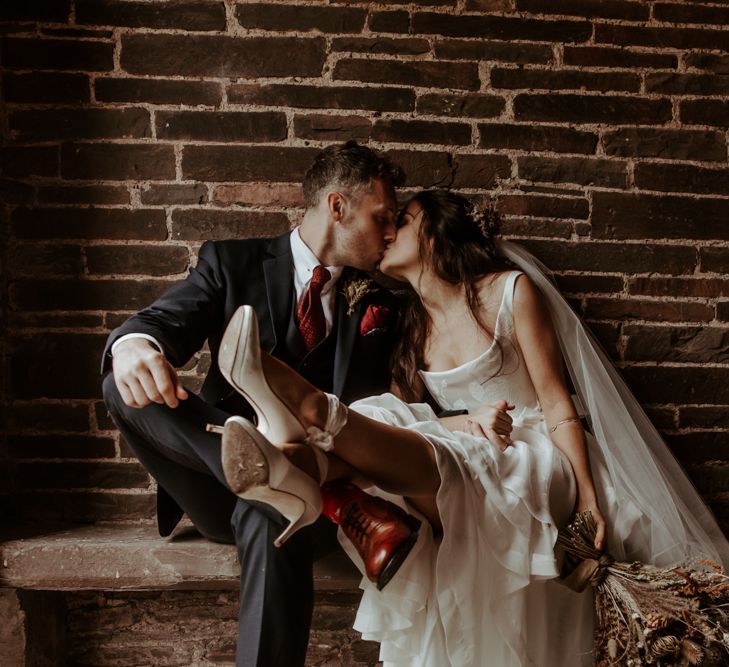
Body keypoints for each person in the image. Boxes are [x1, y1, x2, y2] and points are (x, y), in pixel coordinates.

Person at [212, 189, 729, 666]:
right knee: (392, 415)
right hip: (468, 442)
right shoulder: (409, 324)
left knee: (466, 456)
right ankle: (296, 459)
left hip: (538, 451)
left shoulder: (509, 292)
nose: (388, 231)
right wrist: (466, 420)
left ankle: (301, 418)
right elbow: (423, 420)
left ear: (437, 233)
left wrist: (590, 500)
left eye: (403, 222)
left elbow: (556, 402)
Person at [101, 141, 422, 667]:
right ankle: (268, 468)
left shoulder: (381, 304)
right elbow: (162, 322)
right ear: (337, 207)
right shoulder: (231, 263)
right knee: (122, 383)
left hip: (318, 493)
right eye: (381, 217)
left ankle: (280, 479)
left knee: (271, 514)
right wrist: (134, 345)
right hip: (211, 484)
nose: (390, 232)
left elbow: (384, 414)